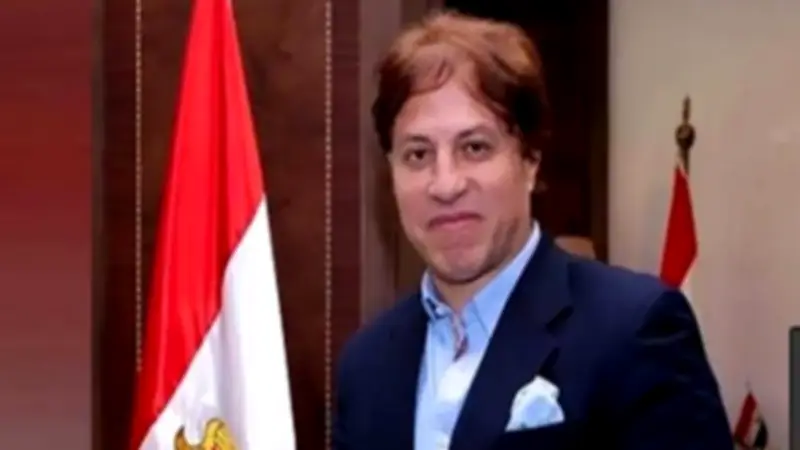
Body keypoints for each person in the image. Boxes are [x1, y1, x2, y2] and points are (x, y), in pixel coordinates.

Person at [333, 10, 733, 450]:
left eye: (474, 147)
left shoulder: (635, 329)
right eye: (417, 154)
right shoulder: (366, 366)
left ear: (530, 161)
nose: (445, 184)